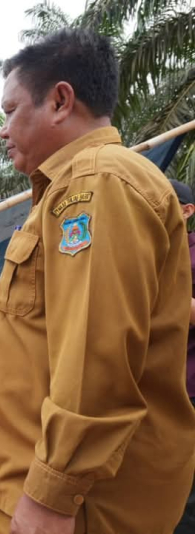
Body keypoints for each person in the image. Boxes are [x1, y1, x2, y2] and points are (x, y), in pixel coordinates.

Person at [0, 28, 195, 534]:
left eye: (10, 111)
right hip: (50, 491)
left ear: (60, 101)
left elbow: (97, 356)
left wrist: (52, 495)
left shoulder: (96, 184)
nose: (2, 131)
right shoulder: (69, 188)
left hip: (80, 505)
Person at [173, 179, 195, 534]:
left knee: (186, 495)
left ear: (188, 210)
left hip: (189, 387)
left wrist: (163, 299)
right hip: (142, 388)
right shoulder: (140, 249)